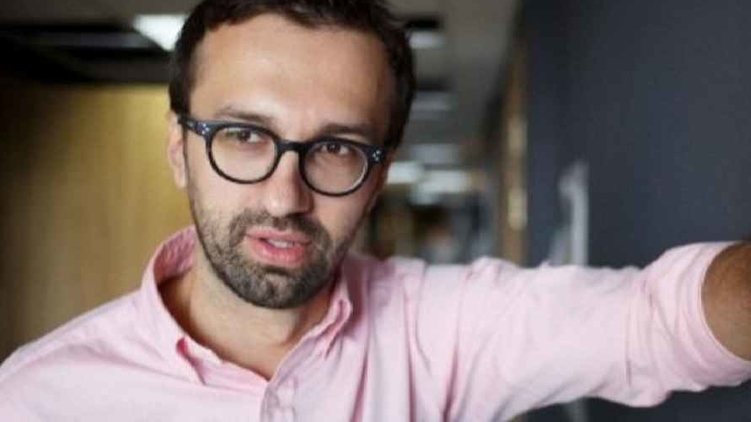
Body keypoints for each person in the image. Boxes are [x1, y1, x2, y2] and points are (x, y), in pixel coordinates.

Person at [1, 0, 750, 420]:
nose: (283, 197)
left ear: (379, 173)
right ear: (178, 148)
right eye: (244, 136)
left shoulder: (438, 329)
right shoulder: (34, 400)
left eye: (335, 147)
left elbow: (655, 321)